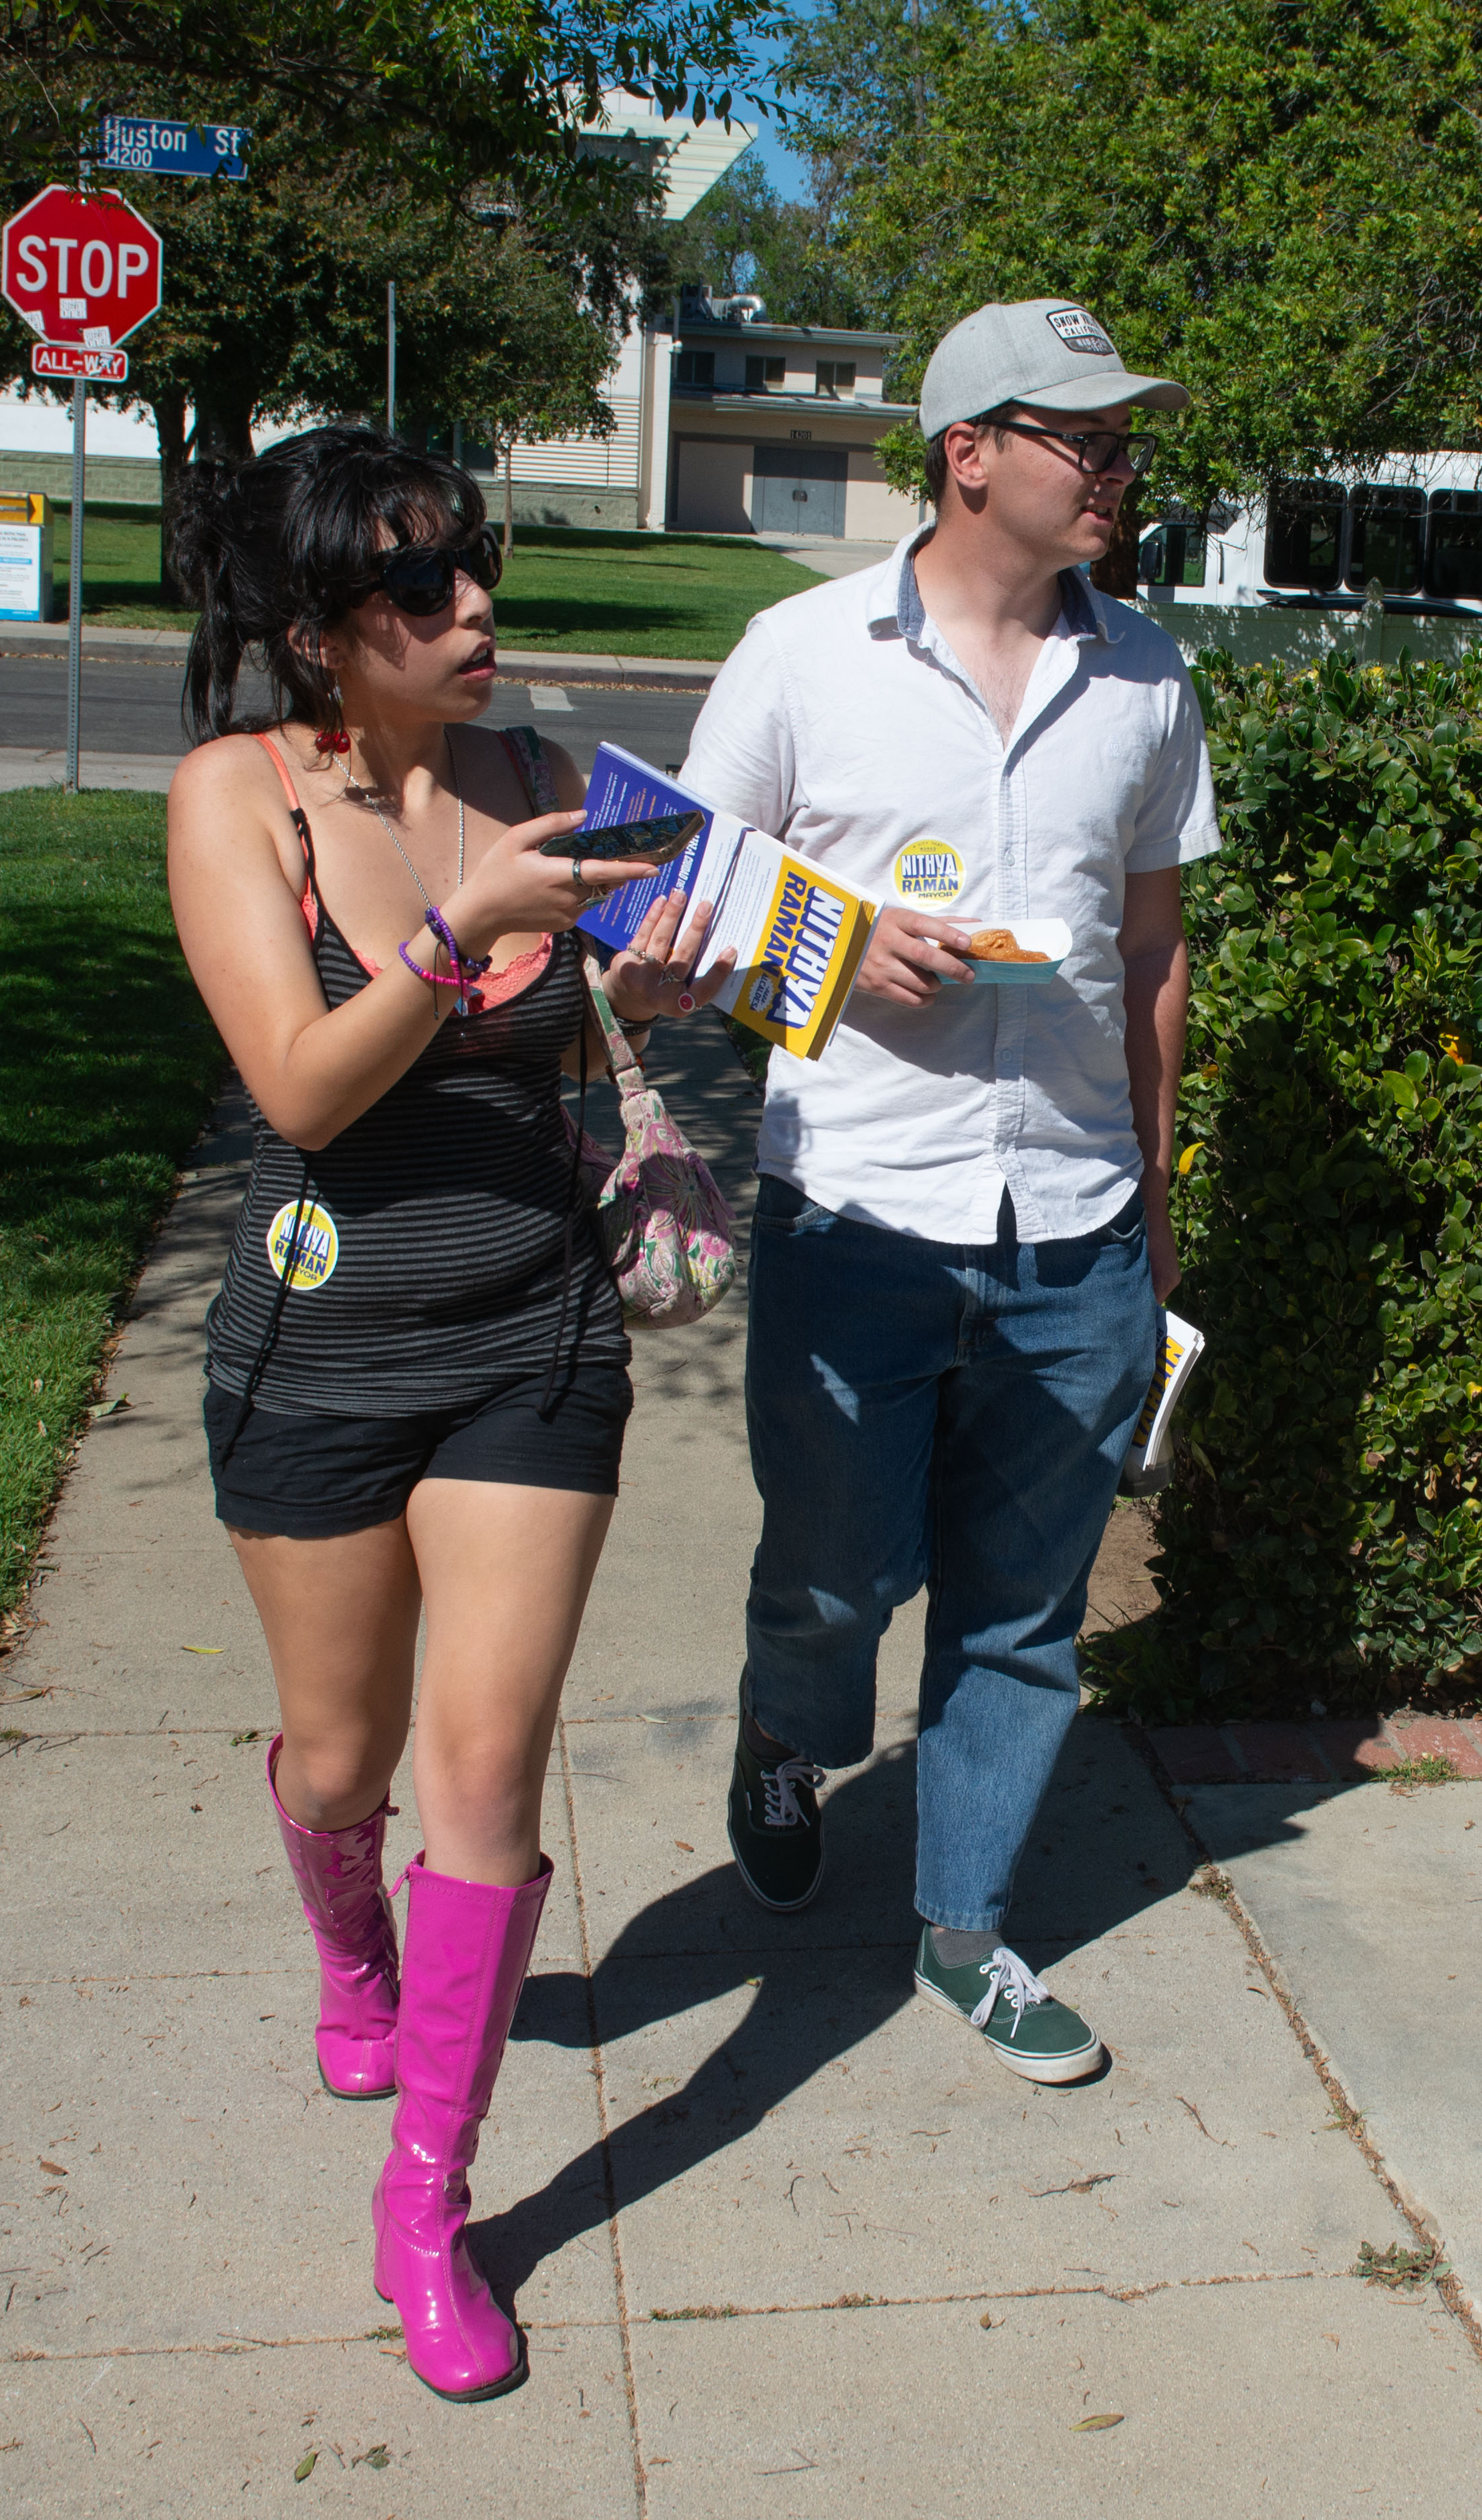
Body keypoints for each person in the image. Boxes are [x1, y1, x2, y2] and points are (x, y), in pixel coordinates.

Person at [165, 426, 731, 2402]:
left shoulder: (545, 777)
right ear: (326, 632)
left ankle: (431, 2199)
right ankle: (347, 1947)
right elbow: (306, 1089)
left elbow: (575, 1018)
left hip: (533, 1331)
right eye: (425, 588)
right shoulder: (235, 799)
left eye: (475, 567)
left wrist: (647, 985)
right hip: (318, 1349)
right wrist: (464, 919)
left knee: (482, 1776)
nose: (476, 607)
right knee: (345, 1757)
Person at [682, 299, 1219, 2084]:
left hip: (1069, 1228)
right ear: (967, 451)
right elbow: (656, 917)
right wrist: (829, 963)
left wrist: (1149, 1208)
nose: (1121, 471)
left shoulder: (1145, 674)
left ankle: (967, 1929)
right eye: (1091, 440)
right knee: (835, 1580)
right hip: (857, 1219)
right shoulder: (801, 653)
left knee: (1024, 1612)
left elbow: (1152, 952)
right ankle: (785, 1735)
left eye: (1127, 439)